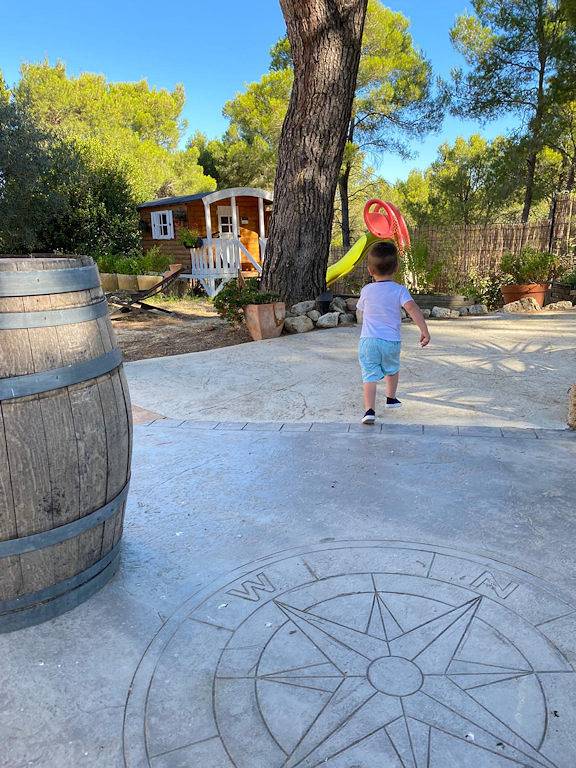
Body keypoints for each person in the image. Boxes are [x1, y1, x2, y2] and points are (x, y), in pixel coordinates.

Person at [356, 241, 430, 425]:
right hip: (391, 341)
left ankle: (369, 411)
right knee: (392, 368)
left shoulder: (366, 290)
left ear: (370, 270)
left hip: (368, 341)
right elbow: (412, 308)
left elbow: (360, 311)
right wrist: (424, 330)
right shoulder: (399, 290)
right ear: (396, 268)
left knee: (369, 376)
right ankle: (390, 398)